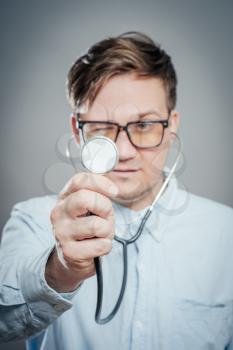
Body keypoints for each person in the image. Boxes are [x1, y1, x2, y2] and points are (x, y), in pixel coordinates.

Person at [0, 31, 233, 350]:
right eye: (101, 128)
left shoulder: (226, 234)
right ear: (77, 131)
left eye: (144, 125)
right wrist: (60, 271)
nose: (123, 150)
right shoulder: (32, 220)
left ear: (172, 126)